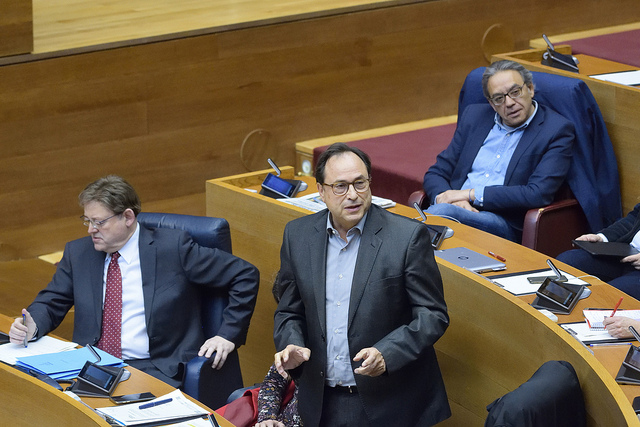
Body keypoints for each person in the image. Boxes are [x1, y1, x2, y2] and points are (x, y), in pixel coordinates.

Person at [9, 175, 259, 387]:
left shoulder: (173, 248)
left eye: (99, 222)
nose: (90, 230)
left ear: (127, 217)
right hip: (89, 367)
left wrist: (227, 334)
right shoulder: (79, 253)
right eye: (87, 221)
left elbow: (245, 274)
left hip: (154, 369)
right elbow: (51, 301)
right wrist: (32, 325)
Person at [273, 143, 451, 427]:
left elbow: (433, 314)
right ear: (321, 191)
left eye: (360, 183)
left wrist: (388, 353)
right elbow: (288, 310)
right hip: (320, 399)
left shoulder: (406, 238)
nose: (353, 195)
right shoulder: (298, 235)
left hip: (388, 401)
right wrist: (292, 342)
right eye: (340, 186)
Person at [423, 60, 575, 242]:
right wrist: (453, 201)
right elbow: (436, 172)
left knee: (430, 222)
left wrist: (468, 194)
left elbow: (537, 193)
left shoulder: (556, 130)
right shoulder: (474, 117)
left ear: (530, 89)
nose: (509, 103)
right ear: (491, 103)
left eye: (515, 92)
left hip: (503, 220)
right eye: (499, 98)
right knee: (438, 217)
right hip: (453, 210)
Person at [557, 203, 640, 301]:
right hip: (625, 252)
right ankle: (551, 312)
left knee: (607, 295)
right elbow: (634, 218)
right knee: (566, 261)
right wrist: (602, 237)